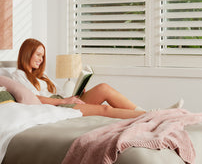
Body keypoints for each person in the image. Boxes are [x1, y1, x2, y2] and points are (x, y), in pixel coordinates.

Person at [12, 38, 183, 119]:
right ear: (27, 53)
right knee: (105, 110)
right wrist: (64, 102)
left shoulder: (42, 76)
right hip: (58, 108)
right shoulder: (17, 75)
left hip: (63, 101)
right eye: (38, 55)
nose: (41, 59)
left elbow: (59, 93)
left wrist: (77, 91)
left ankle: (148, 112)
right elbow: (35, 98)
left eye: (42, 56)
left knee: (103, 88)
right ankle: (151, 116)